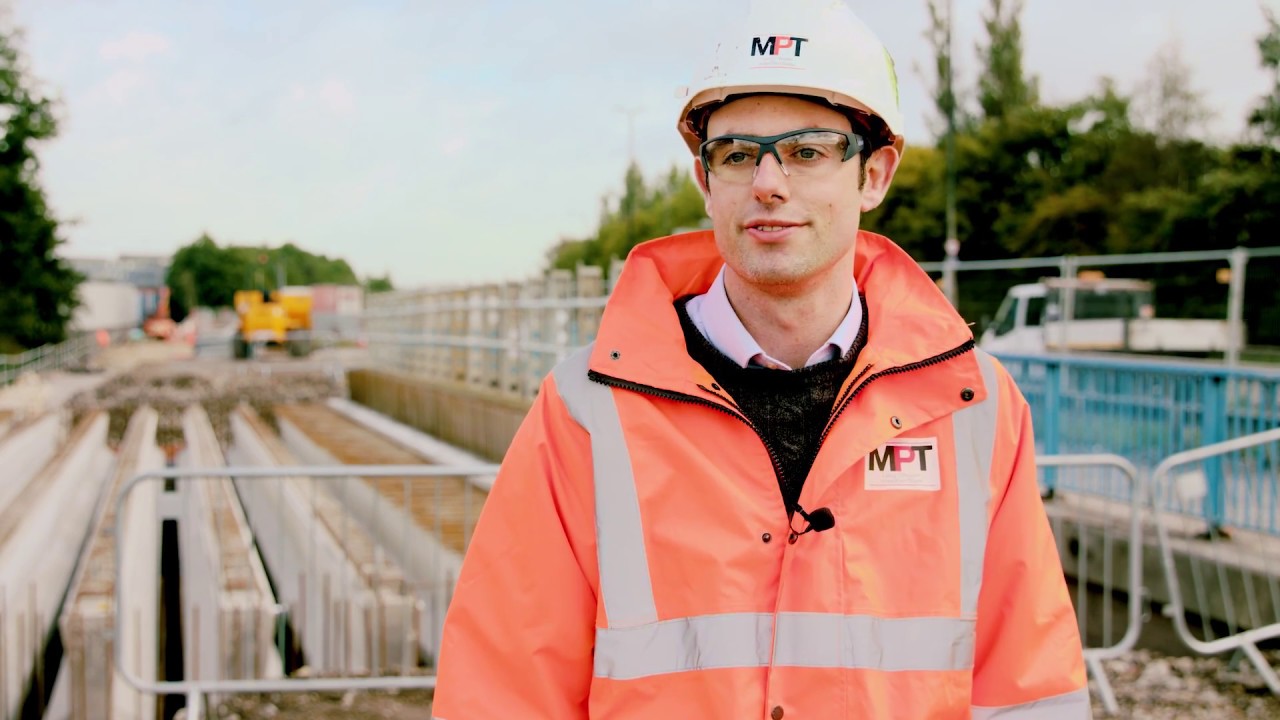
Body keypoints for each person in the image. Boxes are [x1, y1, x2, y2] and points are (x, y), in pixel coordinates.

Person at [431, 0, 1089, 717]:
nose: (768, 183)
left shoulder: (974, 407)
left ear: (874, 174)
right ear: (705, 180)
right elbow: (504, 691)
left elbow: (1028, 691)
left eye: (807, 151)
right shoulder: (588, 409)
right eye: (738, 154)